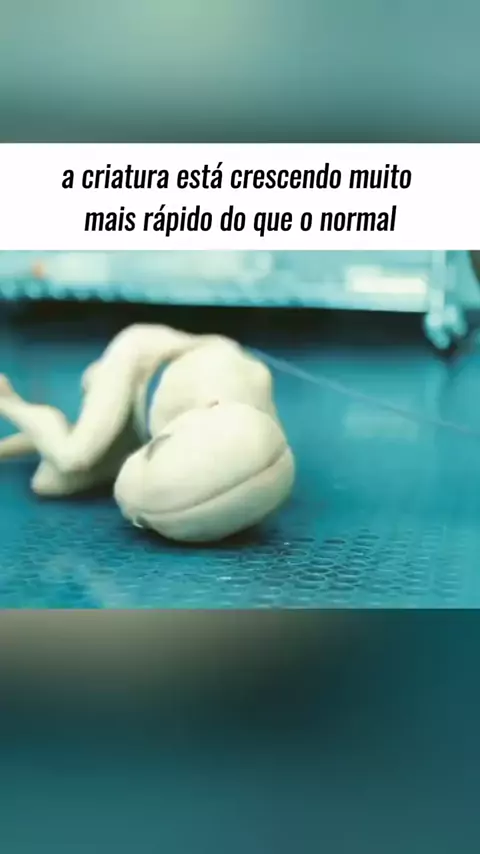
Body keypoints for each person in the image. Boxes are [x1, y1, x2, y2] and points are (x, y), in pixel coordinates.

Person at [0, 324, 295, 542]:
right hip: (142, 366)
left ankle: (45, 436)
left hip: (148, 421)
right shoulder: (210, 382)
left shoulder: (254, 440)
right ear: (211, 407)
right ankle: (8, 401)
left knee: (48, 483)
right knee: (73, 455)